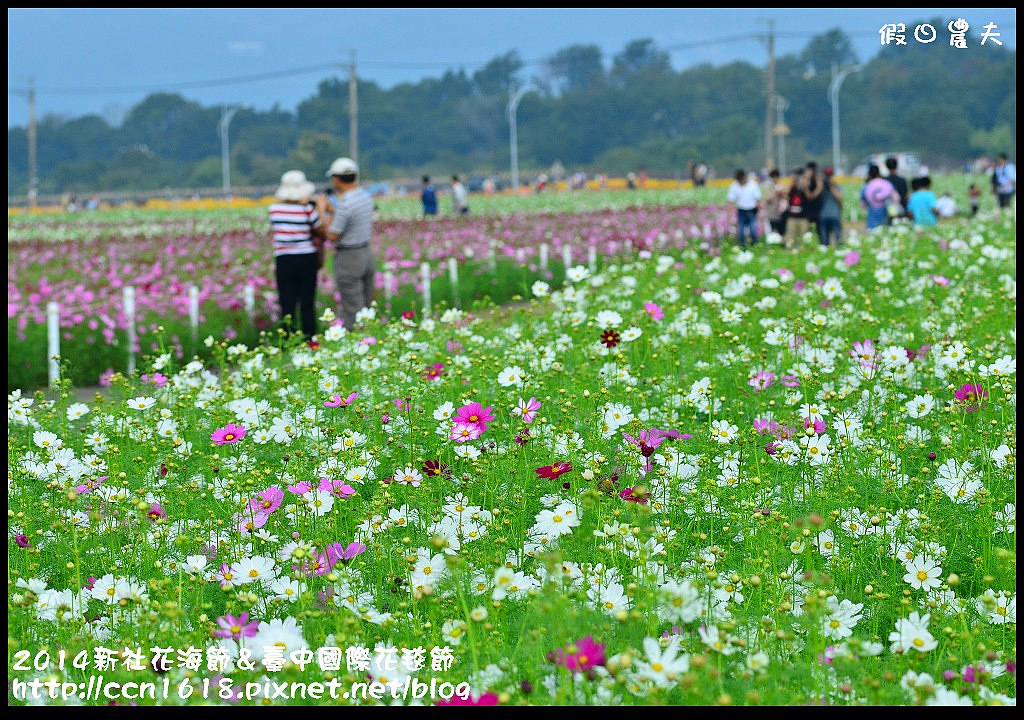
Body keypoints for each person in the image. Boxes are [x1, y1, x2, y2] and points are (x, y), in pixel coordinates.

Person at [318, 157, 376, 330]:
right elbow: (351, 216)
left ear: (336, 179)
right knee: (366, 304)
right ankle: (372, 338)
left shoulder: (344, 204)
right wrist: (333, 210)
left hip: (349, 257)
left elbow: (332, 235)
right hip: (366, 252)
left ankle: (358, 343)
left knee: (353, 309)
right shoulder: (364, 196)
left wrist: (322, 211)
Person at [269, 170, 324, 340]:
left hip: (284, 259)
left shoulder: (274, 210)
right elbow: (319, 230)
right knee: (307, 303)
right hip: (306, 259)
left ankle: (287, 339)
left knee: (287, 303)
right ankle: (310, 339)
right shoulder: (307, 209)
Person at [726, 169, 762, 248]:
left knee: (753, 230)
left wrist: (760, 211)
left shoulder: (753, 185)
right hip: (741, 210)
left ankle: (754, 245)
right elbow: (730, 200)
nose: (740, 182)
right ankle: (742, 246)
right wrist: (729, 213)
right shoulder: (734, 186)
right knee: (741, 230)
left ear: (744, 177)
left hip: (752, 210)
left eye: (741, 180)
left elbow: (758, 199)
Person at [860, 164, 900, 231]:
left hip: (872, 220)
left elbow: (863, 205)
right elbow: (897, 198)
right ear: (879, 173)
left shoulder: (866, 187)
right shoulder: (887, 184)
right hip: (887, 218)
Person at [817, 166, 843, 246]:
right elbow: (815, 196)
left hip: (834, 215)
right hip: (823, 216)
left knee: (838, 238)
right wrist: (820, 185)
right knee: (824, 241)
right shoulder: (821, 187)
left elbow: (840, 198)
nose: (828, 178)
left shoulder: (836, 186)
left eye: (829, 175)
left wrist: (832, 187)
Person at [784, 167, 809, 249]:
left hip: (803, 216)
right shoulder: (792, 186)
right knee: (790, 238)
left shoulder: (805, 185)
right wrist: (793, 182)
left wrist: (804, 184)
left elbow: (809, 196)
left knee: (803, 238)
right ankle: (791, 251)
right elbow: (785, 194)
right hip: (792, 216)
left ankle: (802, 251)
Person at [761, 169, 788, 239]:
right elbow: (767, 200)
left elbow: (787, 197)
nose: (775, 179)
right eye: (773, 177)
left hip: (782, 214)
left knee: (782, 232)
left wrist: (782, 194)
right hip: (772, 214)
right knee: (773, 233)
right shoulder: (769, 188)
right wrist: (775, 194)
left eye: (776, 177)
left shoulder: (784, 186)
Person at [885, 157, 909, 223]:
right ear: (897, 166)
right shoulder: (902, 180)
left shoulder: (885, 181)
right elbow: (906, 196)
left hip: (889, 210)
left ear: (886, 166)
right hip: (902, 209)